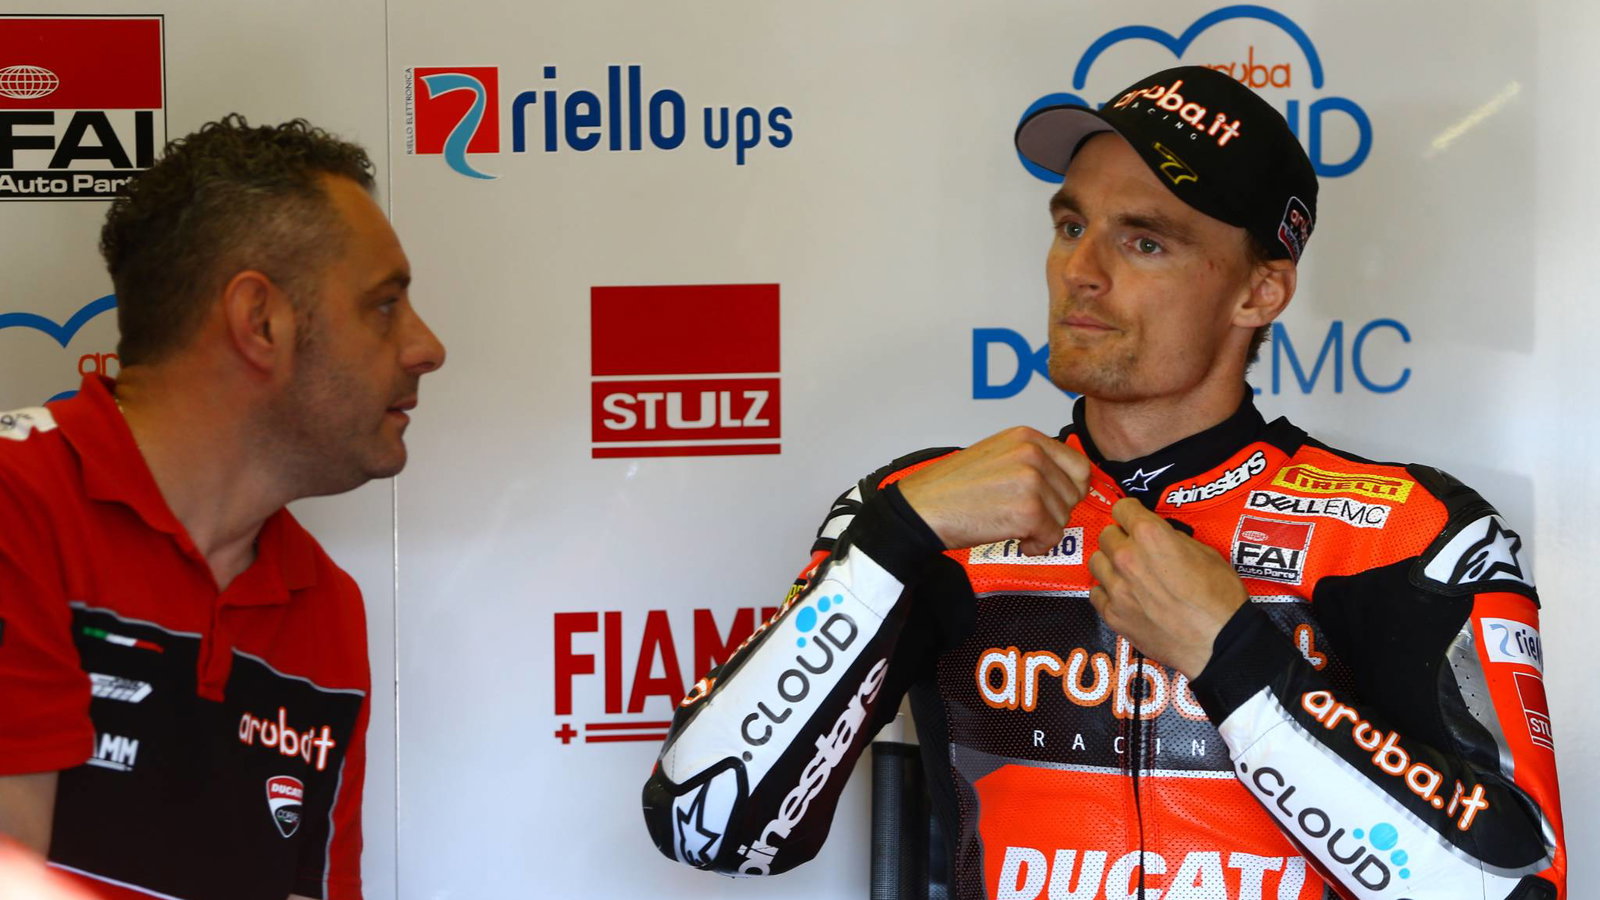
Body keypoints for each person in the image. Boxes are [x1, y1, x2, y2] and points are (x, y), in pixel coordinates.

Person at [641, 66, 1565, 899]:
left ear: (1260, 292)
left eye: (1145, 242)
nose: (1080, 272)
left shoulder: (1409, 530)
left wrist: (1238, 660)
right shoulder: (931, 508)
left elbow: (1514, 887)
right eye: (1071, 226)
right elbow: (707, 827)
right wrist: (893, 538)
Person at [0, 116, 445, 900]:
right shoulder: (18, 501)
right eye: (383, 305)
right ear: (260, 321)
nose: (425, 347)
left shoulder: (325, 605)